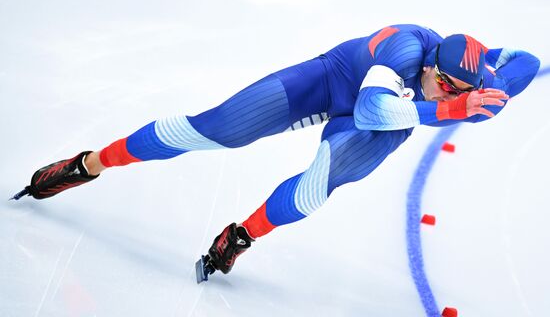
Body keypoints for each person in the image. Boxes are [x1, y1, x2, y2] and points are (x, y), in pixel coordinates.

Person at [12, 24, 540, 278]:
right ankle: (88, 164)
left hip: (376, 123)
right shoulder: (406, 48)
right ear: (429, 67)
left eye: (457, 91)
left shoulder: (474, 82)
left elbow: (524, 59)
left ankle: (241, 235)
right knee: (208, 130)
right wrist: (447, 111)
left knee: (314, 193)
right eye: (444, 85)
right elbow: (374, 110)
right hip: (332, 88)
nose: (448, 95)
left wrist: (492, 92)